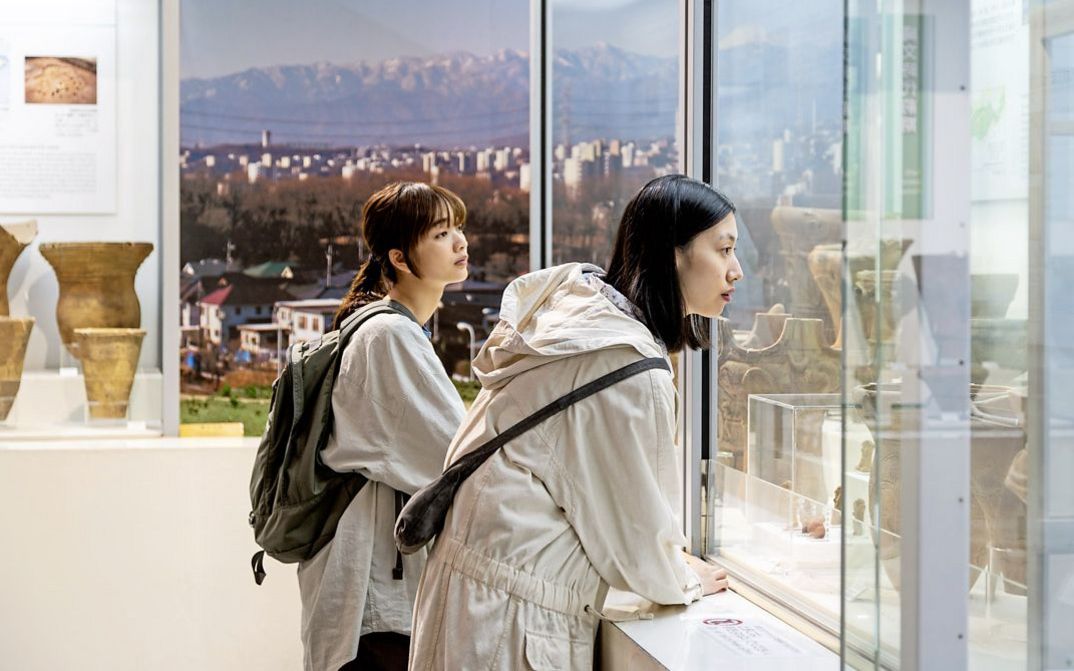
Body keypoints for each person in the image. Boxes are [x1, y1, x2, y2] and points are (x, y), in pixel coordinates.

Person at [409, 174, 743, 670]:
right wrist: (683, 575)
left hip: (467, 597)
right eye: (723, 249)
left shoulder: (576, 321)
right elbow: (637, 536)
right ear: (673, 253)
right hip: (509, 623)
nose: (735, 271)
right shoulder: (625, 365)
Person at [298, 182, 470, 671]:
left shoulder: (382, 327)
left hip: (373, 594)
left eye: (458, 228)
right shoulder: (389, 336)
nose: (460, 242)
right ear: (398, 256)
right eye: (440, 233)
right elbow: (456, 461)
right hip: (374, 604)